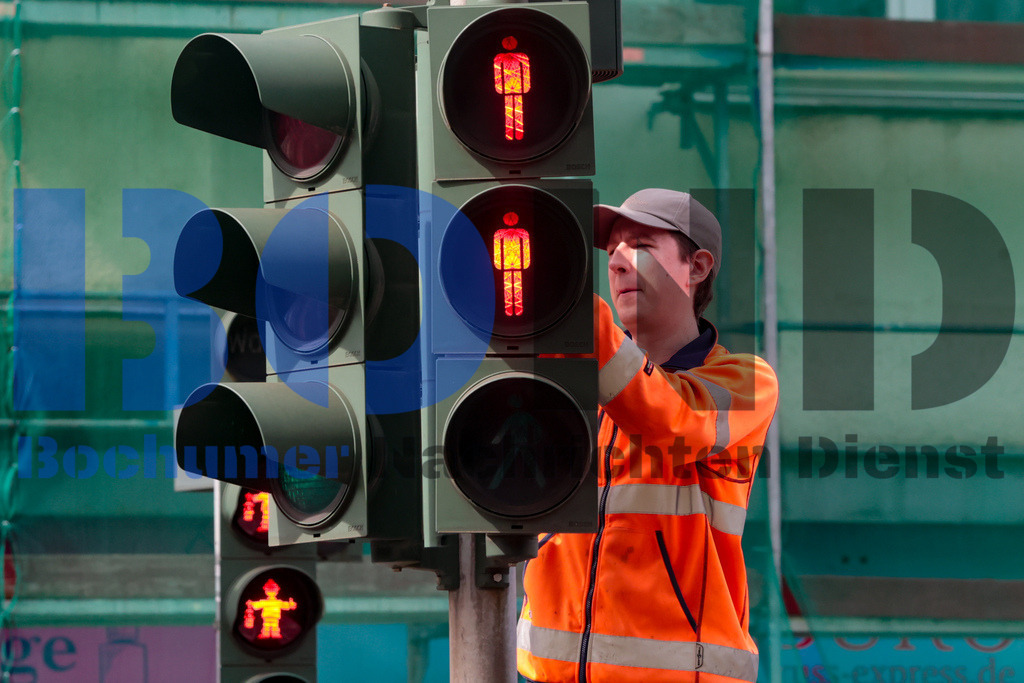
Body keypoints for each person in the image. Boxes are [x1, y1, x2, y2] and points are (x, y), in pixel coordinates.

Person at [517, 189, 779, 683]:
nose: (615, 262)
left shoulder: (747, 382)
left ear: (696, 268)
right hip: (547, 674)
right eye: (611, 251)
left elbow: (671, 418)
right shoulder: (577, 377)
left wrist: (567, 298)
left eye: (639, 245)